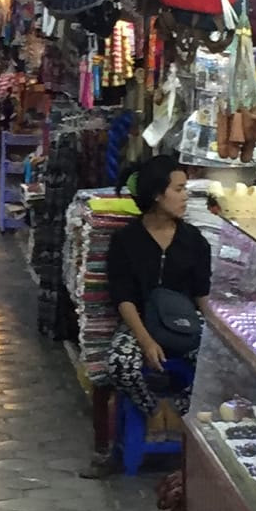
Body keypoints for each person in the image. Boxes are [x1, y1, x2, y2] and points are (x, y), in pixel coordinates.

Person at [94, 154, 211, 464]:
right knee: (121, 363)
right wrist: (146, 341)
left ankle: (183, 423)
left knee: (213, 368)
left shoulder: (194, 241)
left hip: (185, 324)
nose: (186, 196)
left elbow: (202, 295)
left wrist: (218, 333)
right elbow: (124, 298)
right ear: (158, 195)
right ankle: (154, 410)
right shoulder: (126, 241)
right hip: (141, 323)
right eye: (179, 189)